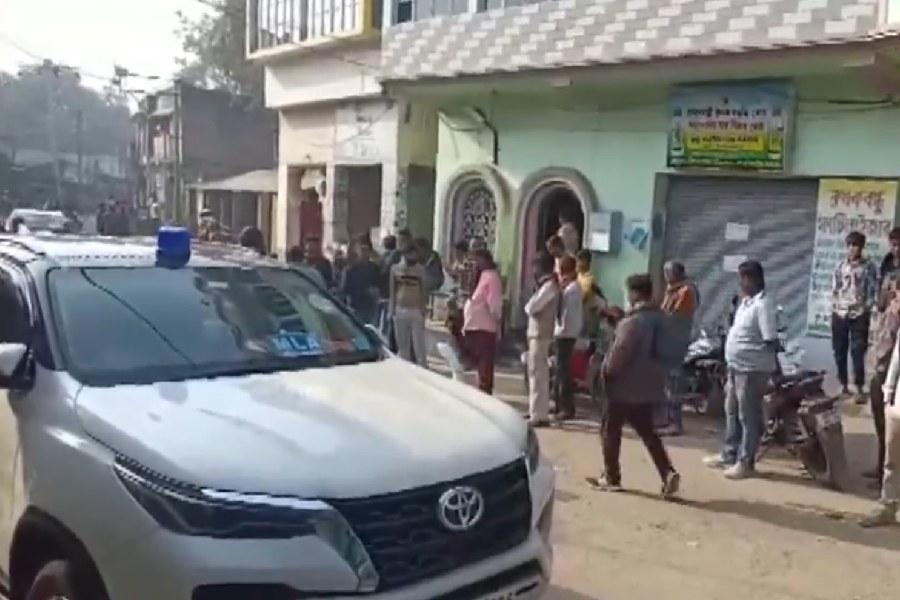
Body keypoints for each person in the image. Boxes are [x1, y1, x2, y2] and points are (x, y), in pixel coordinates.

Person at [587, 273, 680, 496]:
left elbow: (619, 354)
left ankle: (611, 477)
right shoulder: (663, 320)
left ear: (635, 294)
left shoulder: (633, 322)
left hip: (623, 387)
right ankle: (667, 472)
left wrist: (605, 374)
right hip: (650, 386)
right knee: (648, 431)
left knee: (610, 429)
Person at [704, 260, 778, 479]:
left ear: (752, 279)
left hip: (752, 369)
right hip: (736, 367)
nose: (740, 283)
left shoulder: (764, 305)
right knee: (731, 412)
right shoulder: (746, 303)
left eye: (743, 279)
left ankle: (746, 462)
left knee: (748, 417)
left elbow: (770, 339)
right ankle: (729, 454)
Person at [860, 301, 900, 527]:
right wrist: (889, 393)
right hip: (897, 405)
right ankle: (888, 505)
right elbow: (896, 360)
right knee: (892, 461)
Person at [831, 230, 878, 402]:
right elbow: (835, 288)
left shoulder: (869, 267)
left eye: (856, 245)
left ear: (861, 247)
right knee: (839, 350)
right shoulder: (840, 266)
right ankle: (843, 384)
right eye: (850, 245)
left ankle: (859, 386)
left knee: (858, 351)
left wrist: (867, 307)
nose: (852, 249)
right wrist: (836, 305)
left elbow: (873, 289)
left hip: (859, 313)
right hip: (840, 312)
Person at [658, 260, 698, 437]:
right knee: (667, 384)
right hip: (668, 341)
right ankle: (666, 418)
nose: (665, 276)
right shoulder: (673, 290)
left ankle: (675, 422)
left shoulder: (686, 291)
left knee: (674, 383)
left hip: (675, 341)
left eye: (668, 273)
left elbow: (675, 317)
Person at [524, 251, 560, 426]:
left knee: (538, 375)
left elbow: (531, 307)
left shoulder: (549, 287)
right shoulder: (545, 286)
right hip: (537, 334)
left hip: (541, 334)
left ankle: (539, 415)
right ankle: (536, 410)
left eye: (535, 266)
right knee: (536, 374)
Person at [461, 248, 503, 394]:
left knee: (485, 366)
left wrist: (498, 323)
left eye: (477, 260)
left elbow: (494, 305)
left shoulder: (491, 277)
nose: (475, 263)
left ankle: (485, 393)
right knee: (478, 364)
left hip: (485, 327)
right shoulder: (480, 276)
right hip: (474, 326)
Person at [389, 242, 428, 367]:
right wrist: (392, 309)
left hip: (415, 309)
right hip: (400, 309)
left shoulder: (420, 270)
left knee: (418, 344)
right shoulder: (395, 269)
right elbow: (392, 290)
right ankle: (405, 367)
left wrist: (423, 308)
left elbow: (424, 289)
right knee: (402, 343)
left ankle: (422, 367)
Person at [554, 255, 583, 420]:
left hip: (566, 333)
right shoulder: (570, 287)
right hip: (565, 332)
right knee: (560, 371)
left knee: (564, 371)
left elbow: (565, 313)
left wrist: (559, 331)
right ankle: (559, 404)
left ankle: (567, 407)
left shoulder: (572, 289)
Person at [341, 237, 382, 325]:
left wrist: (376, 293)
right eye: (362, 249)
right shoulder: (350, 270)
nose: (364, 253)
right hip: (355, 307)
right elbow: (344, 290)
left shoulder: (375, 268)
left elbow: (380, 286)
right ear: (358, 251)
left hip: (370, 307)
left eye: (366, 250)